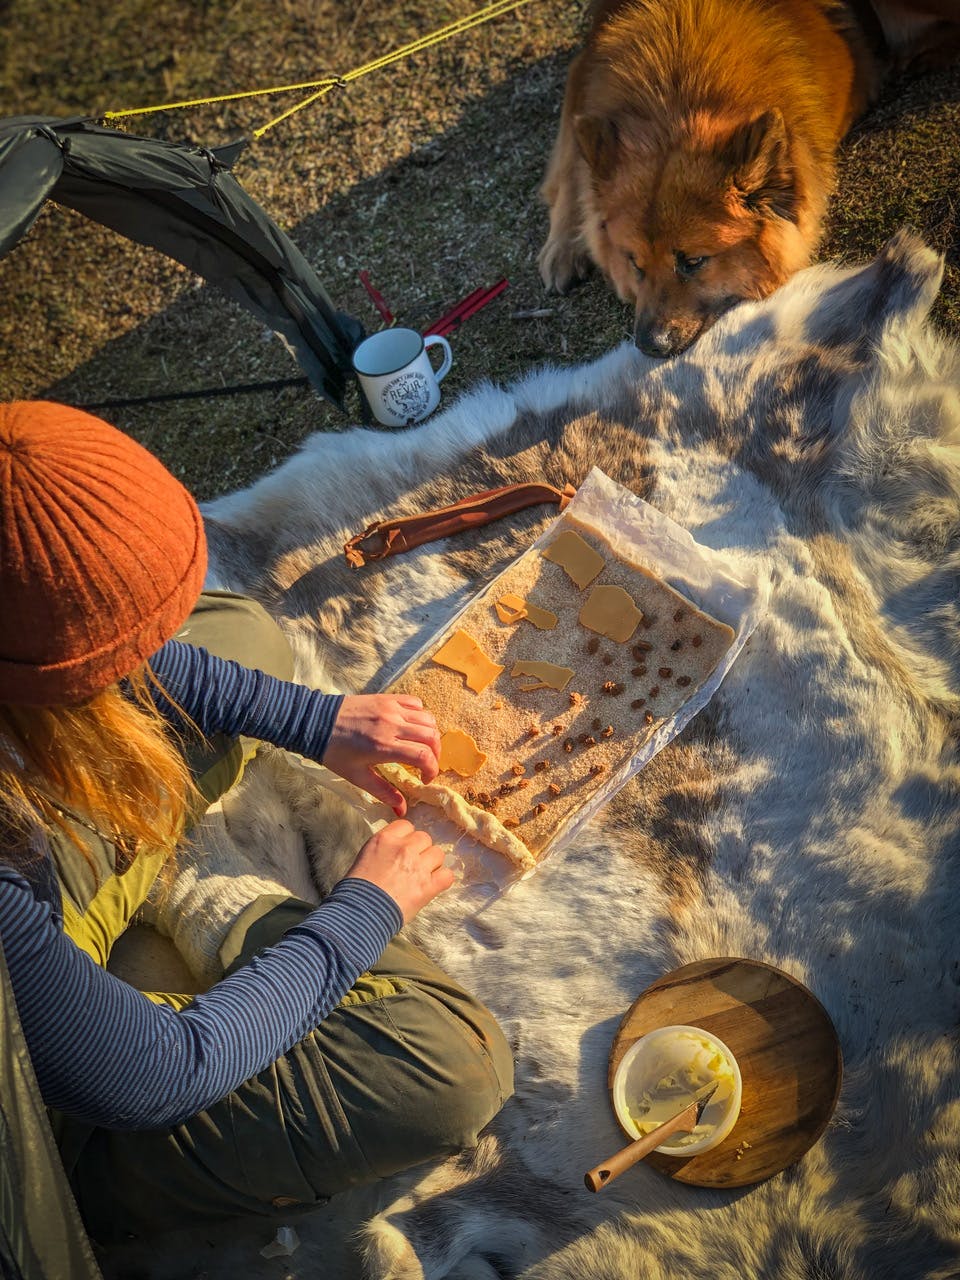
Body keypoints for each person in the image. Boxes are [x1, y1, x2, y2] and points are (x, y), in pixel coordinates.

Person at [0, 400, 514, 1244]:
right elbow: (165, 1073)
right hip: (38, 1142)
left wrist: (314, 720)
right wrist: (364, 909)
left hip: (34, 833)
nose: (146, 661)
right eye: (115, 666)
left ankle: (161, 851)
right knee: (446, 1069)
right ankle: (220, 900)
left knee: (239, 634)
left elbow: (133, 653)